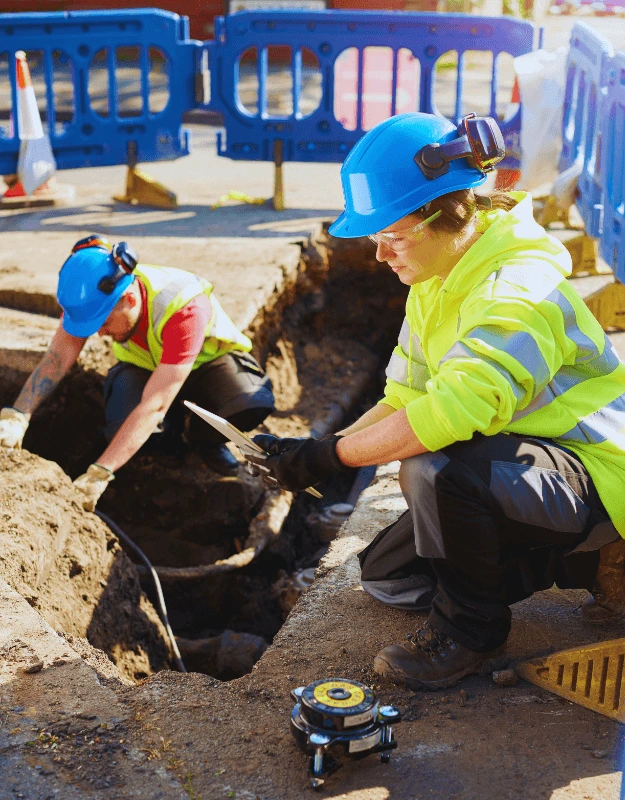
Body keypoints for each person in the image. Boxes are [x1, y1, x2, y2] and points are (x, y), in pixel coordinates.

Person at [248, 112, 625, 691]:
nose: (381, 255)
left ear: (447, 212)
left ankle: (471, 631)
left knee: (432, 464)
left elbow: (450, 411)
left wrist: (332, 461)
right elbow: (404, 397)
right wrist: (322, 447)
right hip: (528, 465)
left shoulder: (516, 288)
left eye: (391, 237)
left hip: (596, 472)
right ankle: (572, 563)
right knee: (388, 579)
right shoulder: (435, 280)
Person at [0, 236, 275, 510]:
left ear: (129, 298)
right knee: (122, 424)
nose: (99, 332)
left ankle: (205, 441)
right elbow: (57, 358)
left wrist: (100, 473)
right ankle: (169, 445)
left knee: (248, 402)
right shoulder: (91, 300)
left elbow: (154, 405)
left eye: (105, 323)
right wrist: (18, 414)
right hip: (145, 369)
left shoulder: (183, 307)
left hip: (206, 369)